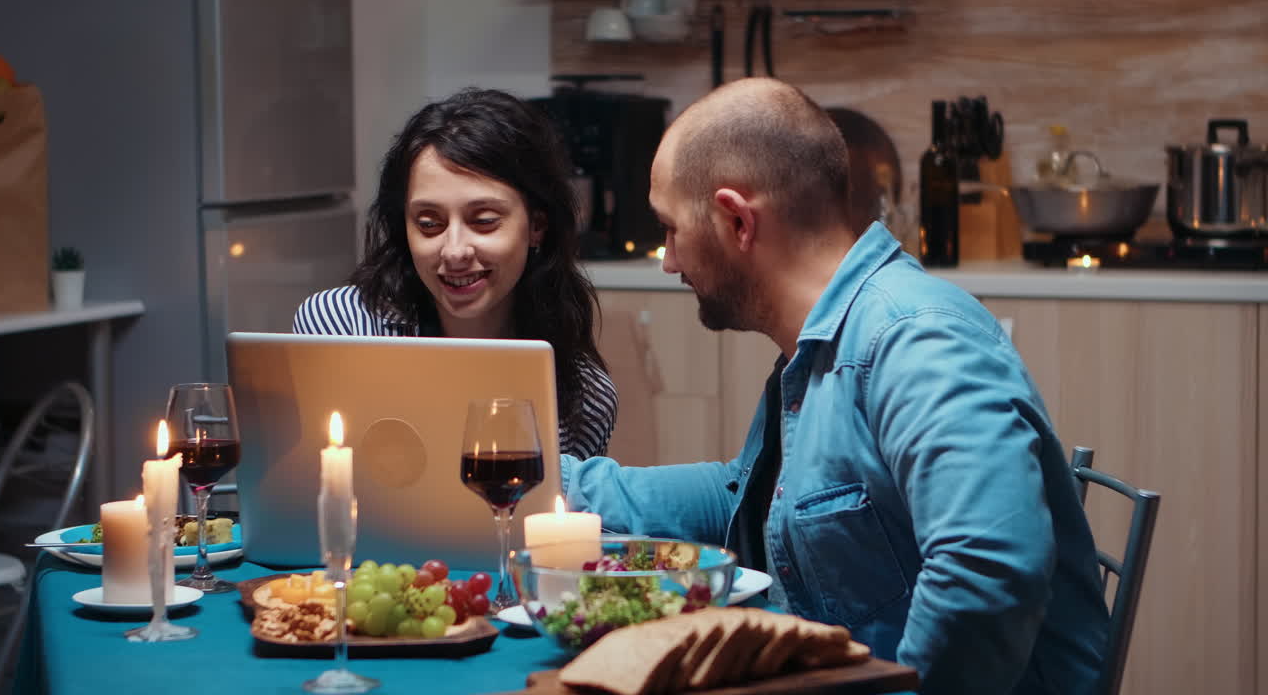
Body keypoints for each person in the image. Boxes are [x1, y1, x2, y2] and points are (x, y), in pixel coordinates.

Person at [562, 78, 1108, 694]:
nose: (668, 260)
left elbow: (987, 569)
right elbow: (747, 500)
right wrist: (565, 487)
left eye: (670, 228)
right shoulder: (822, 346)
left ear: (736, 220)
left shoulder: (914, 340)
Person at [295, 88, 618, 462]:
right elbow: (302, 486)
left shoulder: (585, 396)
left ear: (537, 226)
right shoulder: (342, 326)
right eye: (429, 224)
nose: (454, 251)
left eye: (483, 222)